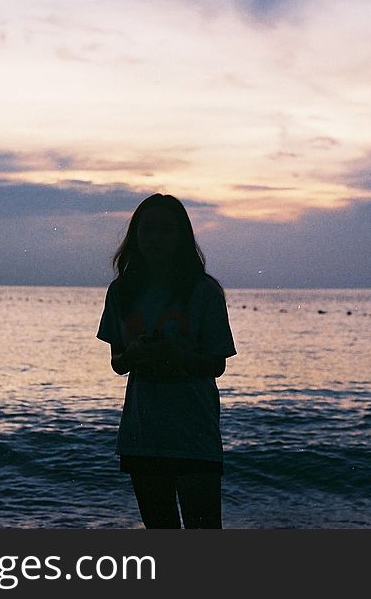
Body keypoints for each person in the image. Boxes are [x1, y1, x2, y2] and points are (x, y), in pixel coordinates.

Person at [96, 194, 236, 529]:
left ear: (181, 237)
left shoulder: (203, 291)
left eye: (165, 230)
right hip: (143, 434)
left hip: (194, 434)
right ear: (135, 235)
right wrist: (139, 354)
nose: (155, 238)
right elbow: (118, 362)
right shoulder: (122, 292)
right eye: (148, 230)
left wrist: (178, 354)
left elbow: (216, 363)